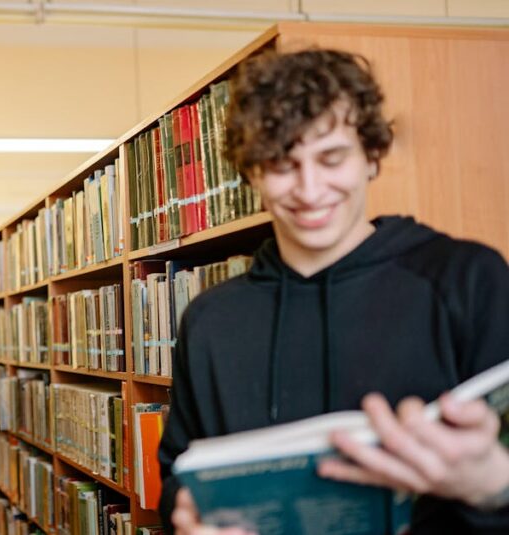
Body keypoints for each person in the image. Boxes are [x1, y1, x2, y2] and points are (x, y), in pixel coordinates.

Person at [157, 48, 509, 534]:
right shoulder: (210, 319)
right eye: (282, 164)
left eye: (331, 158)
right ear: (253, 173)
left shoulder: (469, 279)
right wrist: (189, 518)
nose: (309, 189)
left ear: (370, 156)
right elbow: (178, 474)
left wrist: (492, 486)